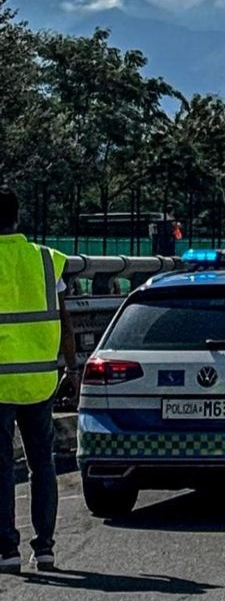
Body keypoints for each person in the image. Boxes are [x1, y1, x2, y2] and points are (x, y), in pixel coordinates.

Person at [0, 186, 75, 574]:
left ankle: (6, 551)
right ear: (18, 217)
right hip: (41, 380)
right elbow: (65, 319)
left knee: (1, 468)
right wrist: (72, 368)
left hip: (0, 384)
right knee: (42, 464)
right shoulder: (46, 259)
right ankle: (44, 549)